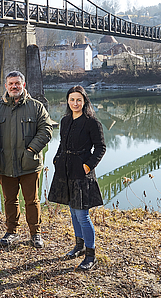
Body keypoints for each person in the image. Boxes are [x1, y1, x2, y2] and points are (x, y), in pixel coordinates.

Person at [0, 71, 52, 249]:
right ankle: (11, 232)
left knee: (32, 200)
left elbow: (46, 130)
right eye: (11, 84)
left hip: (29, 163)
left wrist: (31, 150)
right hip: (5, 163)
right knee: (10, 199)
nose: (14, 86)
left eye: (17, 83)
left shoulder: (36, 106)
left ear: (23, 85)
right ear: (6, 86)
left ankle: (35, 233)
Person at [48, 85, 106, 271]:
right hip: (65, 169)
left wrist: (88, 165)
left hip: (82, 171)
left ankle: (91, 254)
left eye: (78, 100)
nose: (75, 103)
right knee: (73, 212)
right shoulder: (65, 121)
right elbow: (62, 143)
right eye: (72, 99)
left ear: (84, 101)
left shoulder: (92, 122)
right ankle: (79, 247)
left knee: (82, 214)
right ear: (67, 101)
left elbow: (100, 148)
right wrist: (57, 159)